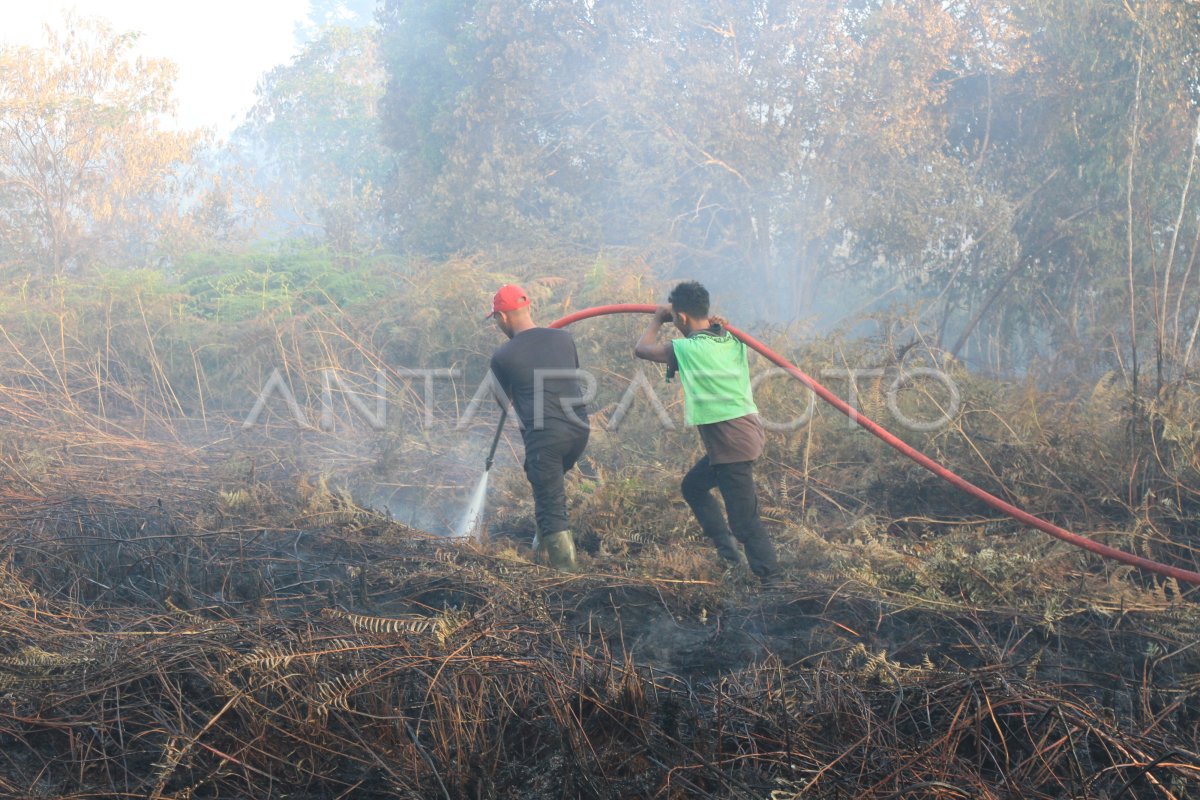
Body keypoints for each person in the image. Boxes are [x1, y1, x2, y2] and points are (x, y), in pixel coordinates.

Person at [634, 281, 779, 582]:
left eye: (675, 317)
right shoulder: (727, 340)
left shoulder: (688, 348)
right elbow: (716, 336)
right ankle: (729, 558)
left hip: (732, 442)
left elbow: (642, 349)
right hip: (739, 436)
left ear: (682, 318)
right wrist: (720, 326)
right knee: (693, 487)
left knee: (745, 523)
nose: (674, 322)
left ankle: (772, 582)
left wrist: (657, 319)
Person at [487, 284, 590, 569]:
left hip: (546, 438)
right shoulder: (563, 337)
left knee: (551, 504)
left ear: (503, 317)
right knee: (546, 491)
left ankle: (567, 580)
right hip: (579, 431)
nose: (497, 324)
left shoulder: (503, 356)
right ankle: (541, 553)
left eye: (496, 319)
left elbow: (501, 401)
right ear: (528, 308)